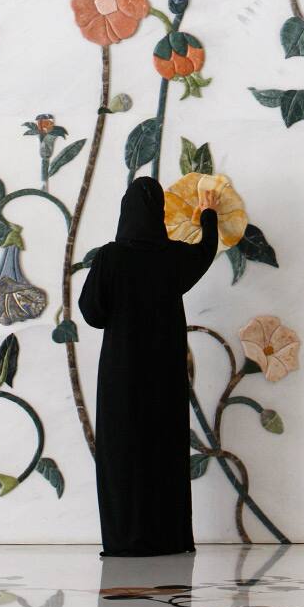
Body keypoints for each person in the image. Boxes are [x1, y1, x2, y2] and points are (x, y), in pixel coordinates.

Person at [79, 176, 219, 557]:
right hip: (164, 376)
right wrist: (207, 215)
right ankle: (167, 538)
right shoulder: (172, 257)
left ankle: (123, 539)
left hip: (120, 376)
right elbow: (205, 251)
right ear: (159, 214)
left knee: (121, 453)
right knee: (163, 450)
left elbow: (91, 312)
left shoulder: (110, 258)